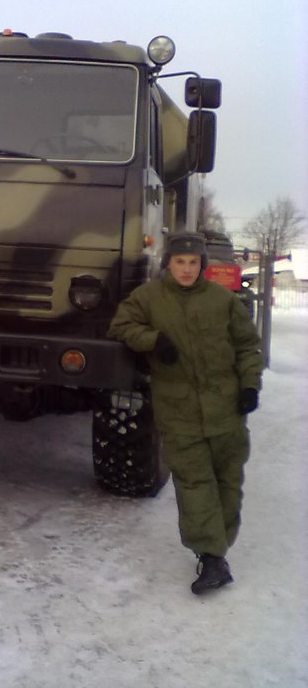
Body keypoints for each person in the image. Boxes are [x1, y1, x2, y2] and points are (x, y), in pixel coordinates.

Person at [108, 232, 263, 594]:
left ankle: (217, 550)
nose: (187, 269)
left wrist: (249, 386)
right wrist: (153, 341)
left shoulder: (223, 300)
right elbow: (120, 326)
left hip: (226, 409)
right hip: (178, 410)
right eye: (180, 261)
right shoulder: (148, 298)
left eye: (194, 263)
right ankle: (211, 557)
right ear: (168, 263)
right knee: (195, 483)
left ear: (203, 266)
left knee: (228, 482)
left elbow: (247, 346)